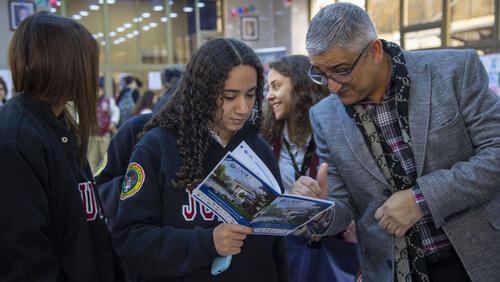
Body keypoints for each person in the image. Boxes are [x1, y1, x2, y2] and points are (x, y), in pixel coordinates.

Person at [291, 3, 500, 282]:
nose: (332, 85)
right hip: (394, 271)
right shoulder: (325, 116)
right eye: (320, 73)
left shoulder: (454, 71)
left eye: (341, 70)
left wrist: (421, 200)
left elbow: (495, 153)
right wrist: (315, 209)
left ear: (374, 51)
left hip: (477, 257)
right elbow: (345, 206)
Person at [111, 38, 288, 282]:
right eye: (229, 96)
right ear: (202, 92)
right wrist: (206, 243)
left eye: (251, 95)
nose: (243, 108)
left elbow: (276, 249)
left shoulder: (258, 150)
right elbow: (130, 238)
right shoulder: (158, 147)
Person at [0, 12, 120, 281]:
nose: (95, 74)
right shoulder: (17, 139)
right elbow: (25, 260)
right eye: (89, 63)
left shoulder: (60, 126)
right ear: (65, 65)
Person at [262, 54, 359, 282]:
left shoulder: (332, 136)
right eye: (268, 87)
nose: (269, 96)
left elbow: (348, 200)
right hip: (284, 250)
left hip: (330, 249)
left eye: (276, 86)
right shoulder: (267, 139)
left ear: (302, 88)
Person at [88, 77, 120, 171]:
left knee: (105, 157)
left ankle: (104, 176)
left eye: (100, 89)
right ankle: (92, 177)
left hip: (104, 134)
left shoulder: (108, 101)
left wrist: (113, 122)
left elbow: (115, 111)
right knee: (92, 158)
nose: (98, 92)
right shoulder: (89, 101)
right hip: (92, 135)